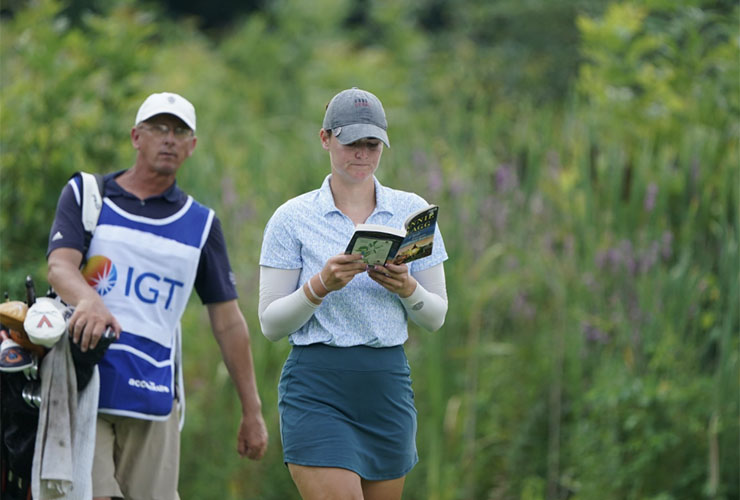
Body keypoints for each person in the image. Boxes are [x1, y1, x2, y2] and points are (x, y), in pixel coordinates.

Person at [46, 92, 268, 500]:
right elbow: (60, 266)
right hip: (84, 382)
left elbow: (228, 321)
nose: (169, 139)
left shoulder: (201, 226)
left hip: (153, 395)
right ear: (136, 136)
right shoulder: (88, 195)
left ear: (192, 146)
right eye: (159, 128)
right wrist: (90, 299)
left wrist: (251, 410)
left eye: (180, 131)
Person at [258, 87, 449, 500]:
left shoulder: (412, 210)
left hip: (387, 386)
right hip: (317, 387)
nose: (361, 154)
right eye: (351, 143)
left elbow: (434, 316)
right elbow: (270, 323)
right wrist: (319, 286)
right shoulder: (292, 218)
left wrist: (407, 287)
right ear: (326, 139)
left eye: (371, 144)